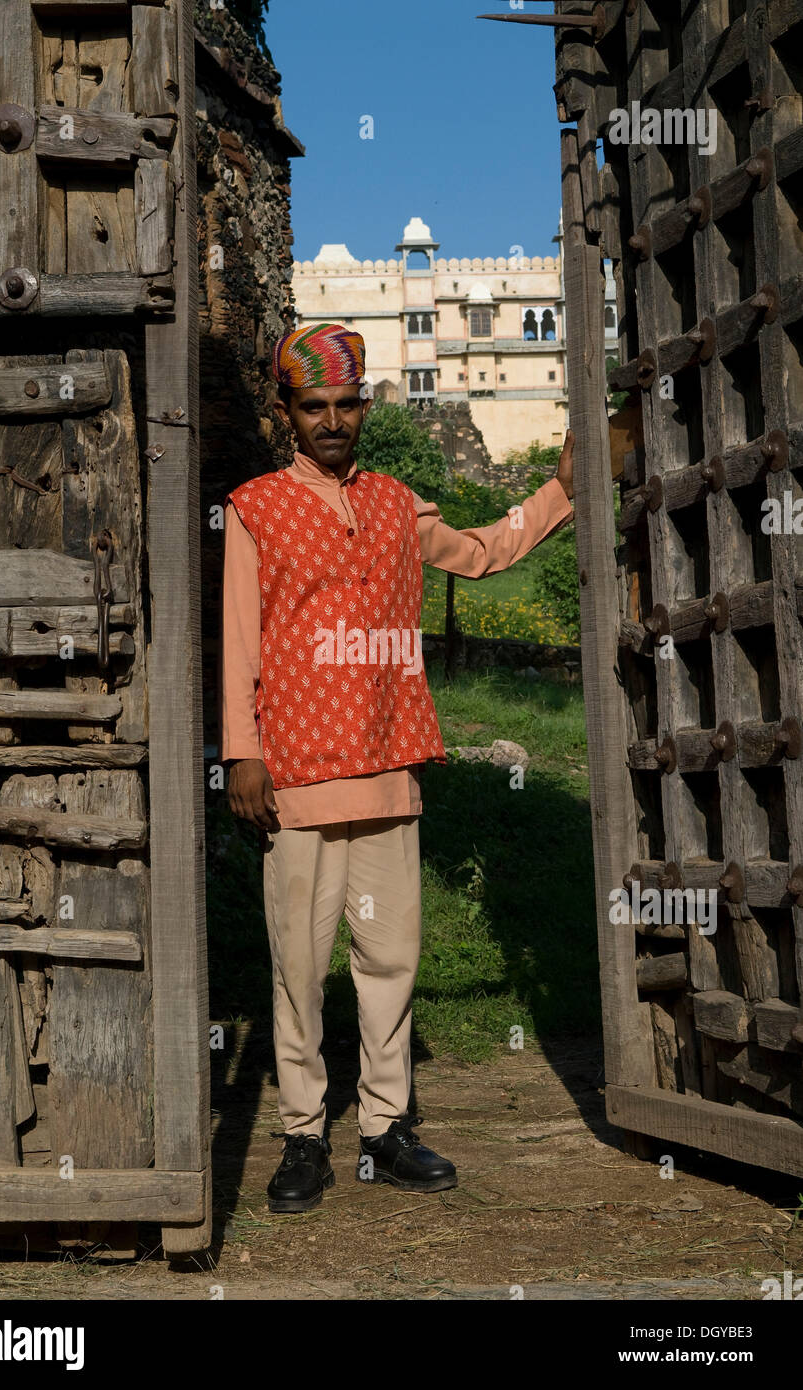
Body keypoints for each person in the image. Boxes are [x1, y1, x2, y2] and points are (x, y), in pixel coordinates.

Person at [219, 322, 574, 1214]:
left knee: (390, 957)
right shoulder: (255, 508)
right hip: (294, 775)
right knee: (298, 964)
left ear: (365, 405)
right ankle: (304, 1135)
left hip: (387, 768)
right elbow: (236, 642)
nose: (332, 421)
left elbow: (485, 554)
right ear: (286, 412)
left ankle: (385, 1125)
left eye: (346, 404)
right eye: (314, 407)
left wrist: (562, 491)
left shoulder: (395, 504)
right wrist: (242, 753)